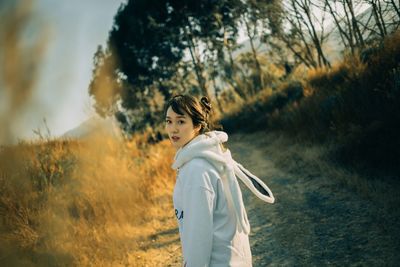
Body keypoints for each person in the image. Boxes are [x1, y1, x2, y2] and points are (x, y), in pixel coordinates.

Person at [164, 95, 275, 267]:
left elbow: (198, 238)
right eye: (169, 121)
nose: (173, 129)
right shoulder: (210, 157)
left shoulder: (196, 170)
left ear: (197, 125)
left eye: (180, 121)